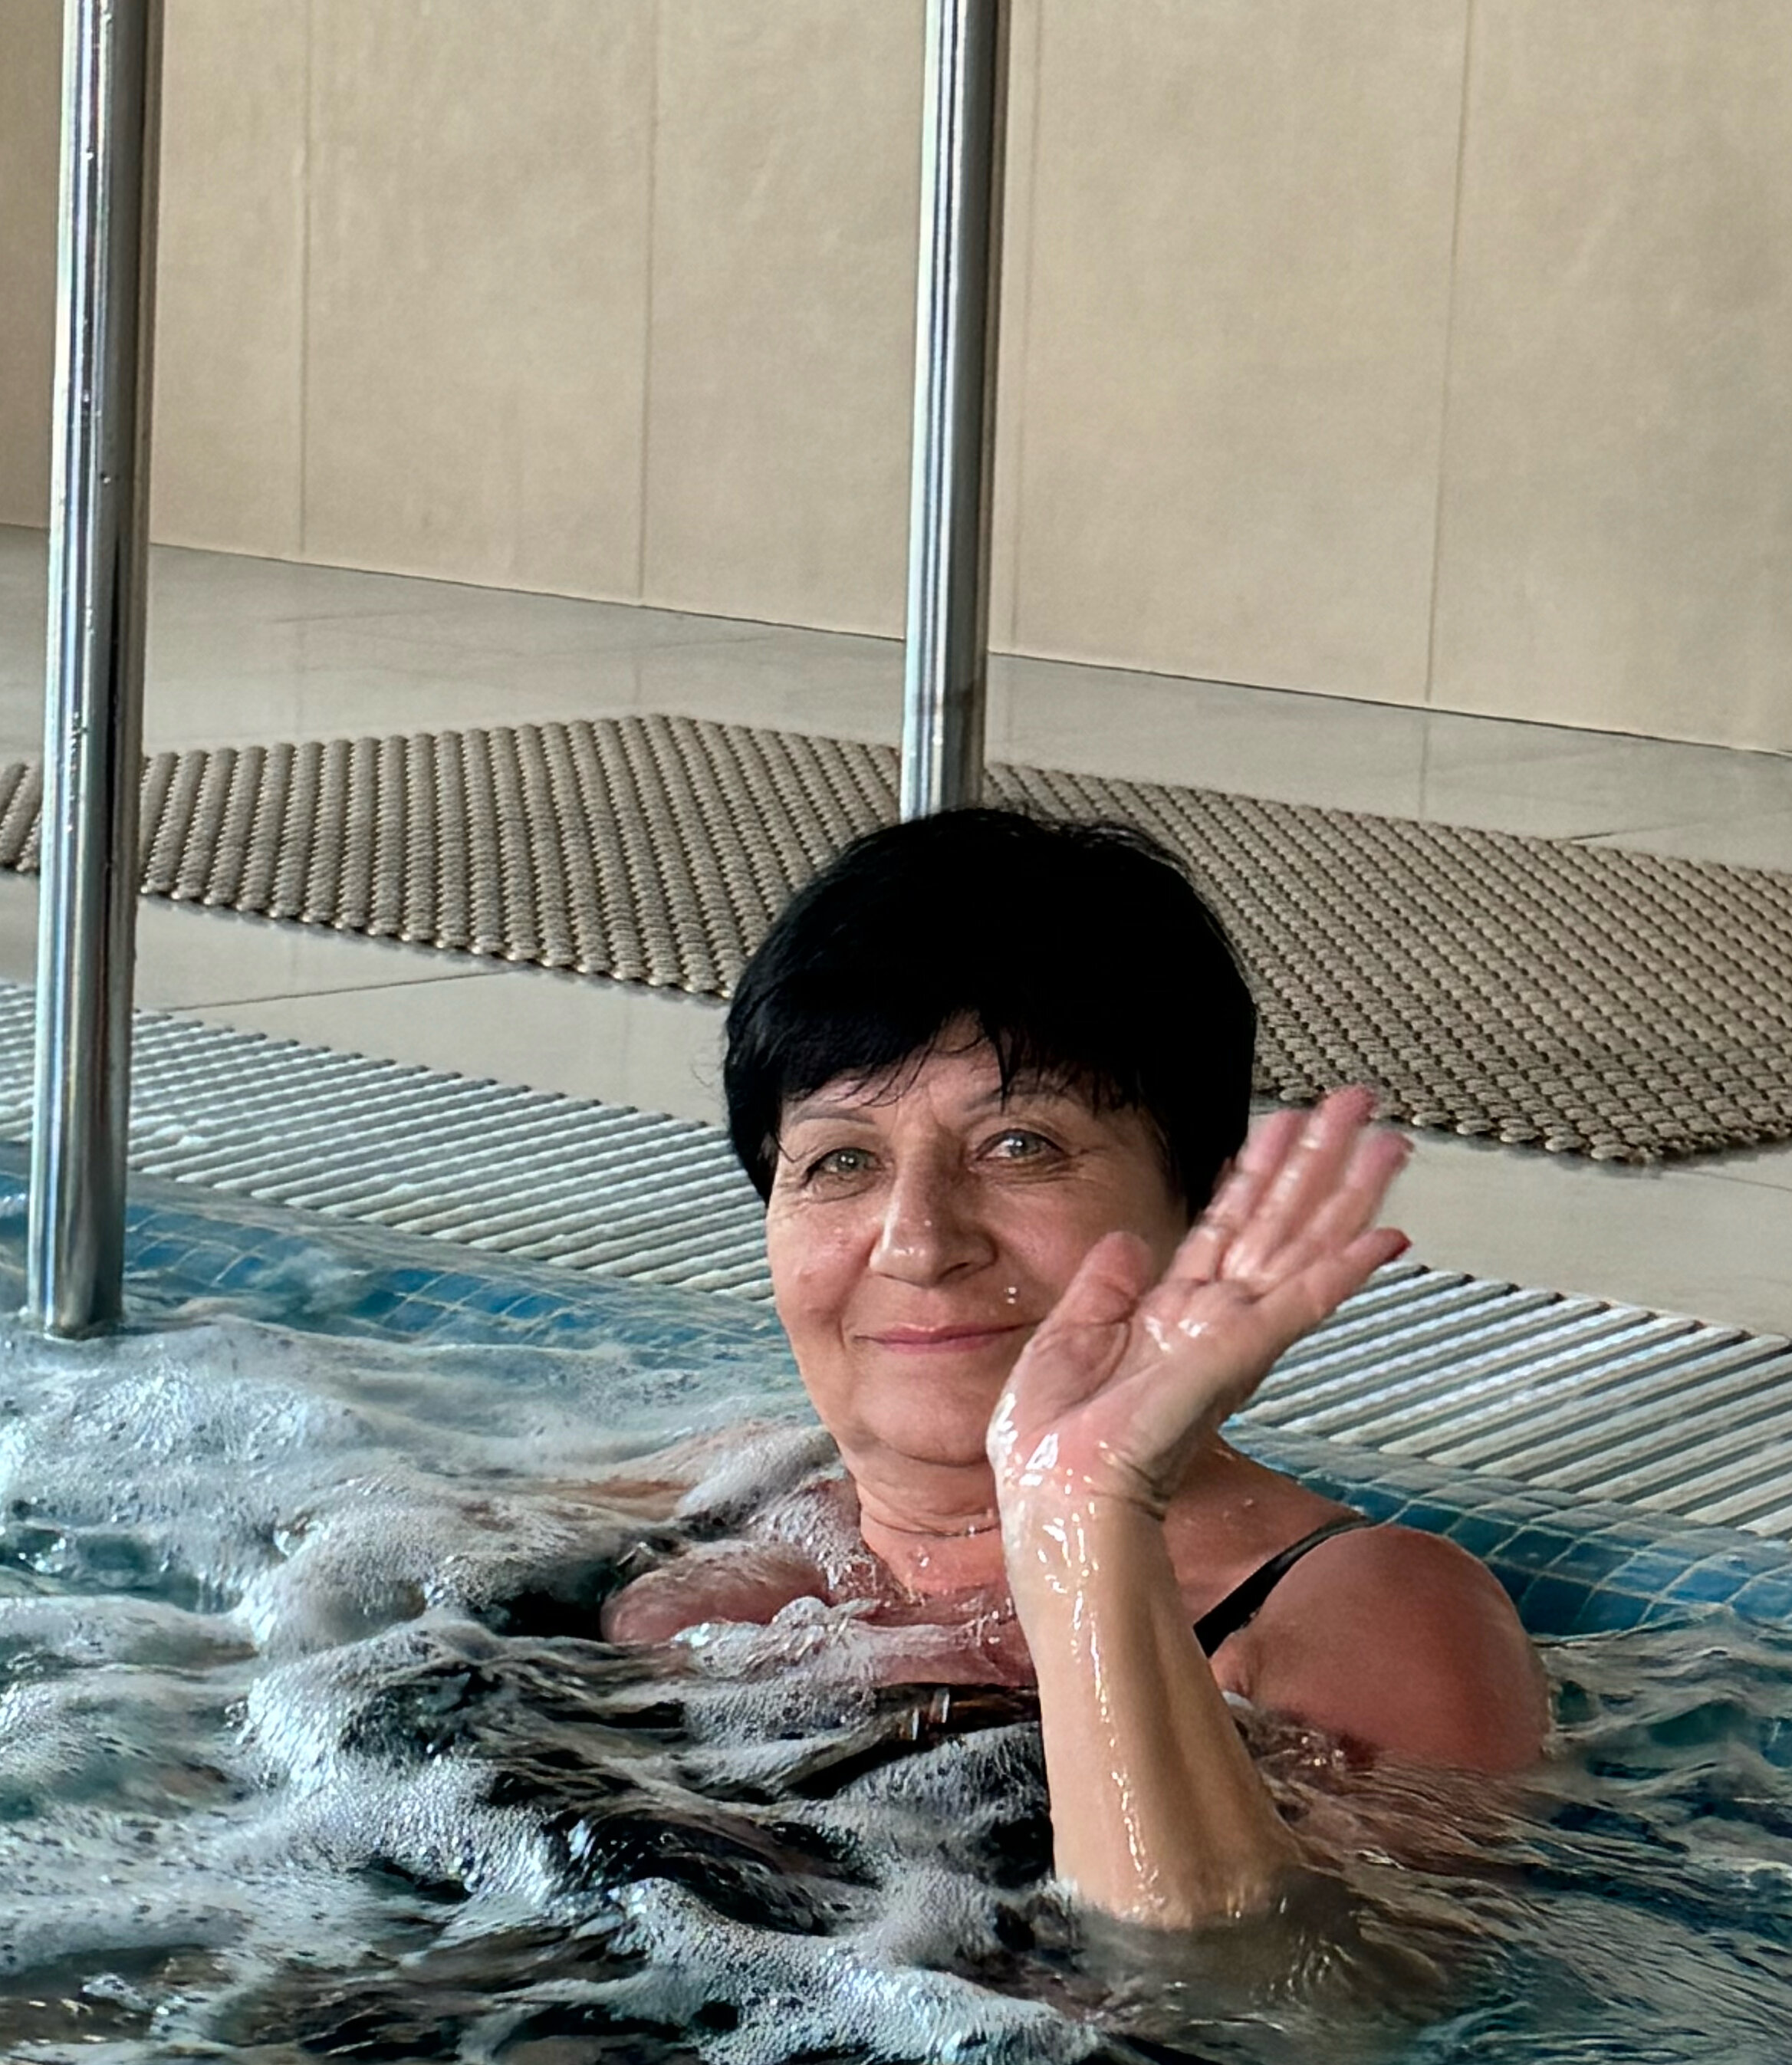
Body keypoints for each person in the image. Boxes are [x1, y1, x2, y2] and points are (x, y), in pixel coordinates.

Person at [605, 808, 1548, 1931]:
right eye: (841, 1160)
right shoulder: (718, 1495)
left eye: (1021, 1147)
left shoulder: (1366, 1610)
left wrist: (1083, 1518)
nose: (919, 1243)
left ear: (1201, 1203)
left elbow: (1298, 2009)